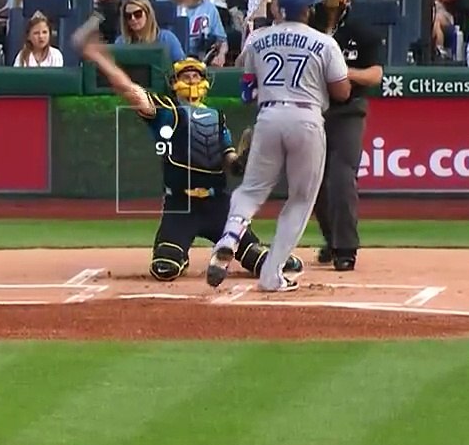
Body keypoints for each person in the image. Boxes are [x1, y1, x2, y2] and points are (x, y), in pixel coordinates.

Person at [70, 25, 303, 282]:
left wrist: (240, 163)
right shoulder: (166, 110)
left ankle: (269, 255)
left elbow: (229, 159)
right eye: (186, 77)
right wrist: (100, 58)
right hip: (180, 205)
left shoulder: (216, 118)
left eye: (196, 76)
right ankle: (179, 253)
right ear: (175, 83)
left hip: (218, 205)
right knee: (164, 267)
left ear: (205, 82)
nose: (192, 81)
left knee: (258, 260)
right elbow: (129, 90)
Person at [209, 0, 350, 293]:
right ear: (307, 10)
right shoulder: (324, 42)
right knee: (300, 199)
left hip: (269, 116)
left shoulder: (258, 39)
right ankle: (271, 275)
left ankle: (230, 236)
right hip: (307, 118)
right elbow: (342, 91)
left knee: (251, 190)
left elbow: (246, 91)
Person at [311, 0, 382, 272]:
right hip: (312, 109)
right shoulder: (308, 25)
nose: (332, 0)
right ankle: (332, 238)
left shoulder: (360, 29)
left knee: (341, 176)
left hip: (348, 108)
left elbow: (375, 75)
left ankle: (346, 248)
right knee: (313, 181)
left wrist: (342, 73)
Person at [115, 0, 186, 61]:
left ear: (148, 14)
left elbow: (182, 66)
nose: (133, 19)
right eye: (128, 16)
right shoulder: (121, 42)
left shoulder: (167, 38)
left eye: (137, 14)